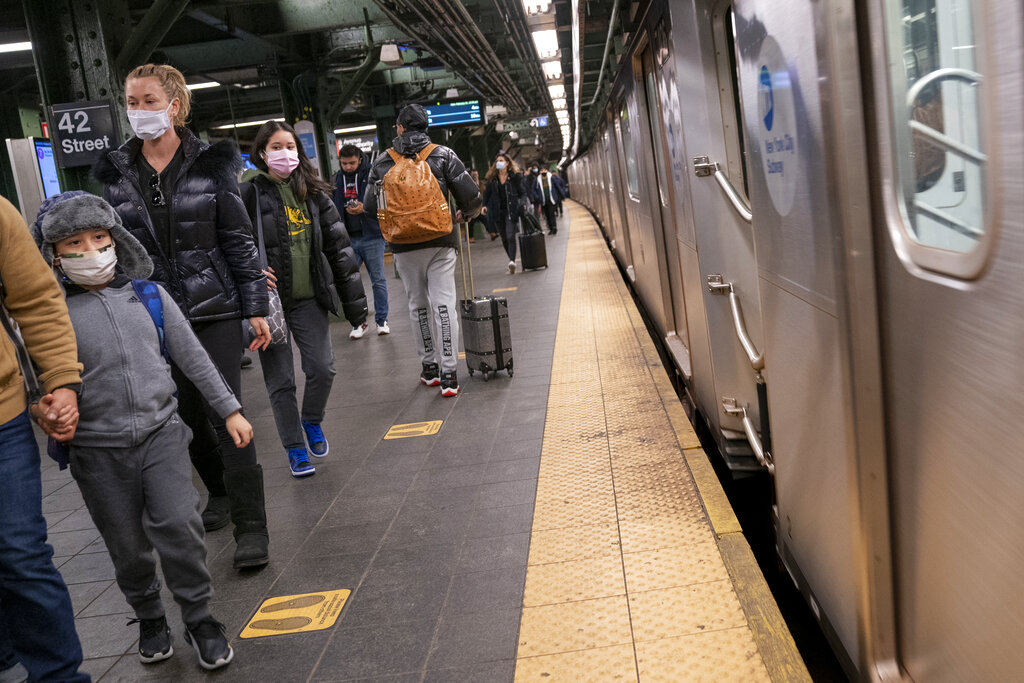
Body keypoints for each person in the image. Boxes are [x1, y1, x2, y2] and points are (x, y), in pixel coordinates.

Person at [32, 192, 241, 670]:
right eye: (73, 243)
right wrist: (39, 410)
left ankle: (200, 616)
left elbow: (193, 358)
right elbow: (33, 380)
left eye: (99, 238)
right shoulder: (48, 318)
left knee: (181, 527)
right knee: (126, 544)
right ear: (52, 255)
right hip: (95, 450)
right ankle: (149, 615)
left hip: (162, 433)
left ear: (116, 240)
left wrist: (229, 409)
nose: (90, 251)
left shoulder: (149, 296)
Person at [93, 63, 273, 569]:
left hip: (213, 306)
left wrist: (255, 307)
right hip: (153, 314)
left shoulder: (212, 163)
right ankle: (217, 491)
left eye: (150, 101)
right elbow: (117, 248)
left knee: (225, 409)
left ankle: (252, 528)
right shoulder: (116, 173)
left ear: (175, 105)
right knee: (184, 414)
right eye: (132, 102)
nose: (139, 112)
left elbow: (239, 241)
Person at [242, 123, 368, 478]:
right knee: (281, 380)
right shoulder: (247, 194)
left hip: (309, 298)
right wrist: (252, 274)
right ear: (263, 153)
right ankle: (295, 448)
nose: (286, 153)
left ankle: (311, 420)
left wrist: (356, 308)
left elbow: (339, 250)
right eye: (277, 146)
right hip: (271, 304)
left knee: (322, 368)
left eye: (291, 145)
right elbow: (233, 245)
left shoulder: (314, 193)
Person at [0, 195, 89, 683]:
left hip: (1, 417)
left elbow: (35, 299)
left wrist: (61, 382)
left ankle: (60, 677)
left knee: (20, 552)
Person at [363, 104, 482, 397]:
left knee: (417, 306)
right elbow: (471, 196)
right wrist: (466, 214)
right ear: (425, 128)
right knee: (444, 306)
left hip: (403, 245)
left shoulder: (382, 162)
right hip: (441, 242)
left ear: (400, 128)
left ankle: (429, 369)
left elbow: (368, 207)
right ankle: (450, 374)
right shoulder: (443, 154)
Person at [332, 144, 388, 339]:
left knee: (378, 280)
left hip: (372, 235)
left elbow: (383, 201)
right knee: (348, 283)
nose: (348, 167)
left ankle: (382, 321)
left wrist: (365, 208)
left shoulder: (372, 174)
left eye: (352, 163)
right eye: (344, 163)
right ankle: (358, 322)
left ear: (360, 159)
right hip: (348, 239)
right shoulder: (337, 178)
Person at [481, 154, 526, 274]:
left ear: (507, 163)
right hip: (497, 212)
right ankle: (510, 259)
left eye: (501, 161)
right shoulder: (492, 179)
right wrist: (484, 205)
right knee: (504, 238)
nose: (498, 163)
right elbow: (487, 194)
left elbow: (522, 192)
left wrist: (523, 202)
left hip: (511, 211)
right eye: (497, 161)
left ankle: (512, 261)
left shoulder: (514, 177)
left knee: (510, 235)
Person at [531, 166, 565, 235]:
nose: (543, 172)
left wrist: (562, 195)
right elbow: (533, 189)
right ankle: (551, 228)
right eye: (541, 170)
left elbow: (557, 186)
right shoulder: (537, 180)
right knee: (547, 215)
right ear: (539, 172)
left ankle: (554, 227)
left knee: (551, 213)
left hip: (551, 199)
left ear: (547, 171)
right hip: (543, 200)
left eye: (544, 170)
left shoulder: (551, 178)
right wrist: (537, 197)